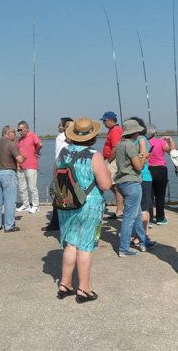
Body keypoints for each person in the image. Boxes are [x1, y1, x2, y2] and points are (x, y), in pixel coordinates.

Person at [55, 117, 111, 303]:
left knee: (70, 244)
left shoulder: (63, 152)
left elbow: (57, 176)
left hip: (67, 203)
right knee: (85, 246)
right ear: (92, 137)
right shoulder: (94, 155)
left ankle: (65, 284)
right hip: (89, 205)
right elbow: (105, 184)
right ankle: (83, 289)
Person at [114, 119, 157, 257]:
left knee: (137, 214)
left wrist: (140, 157)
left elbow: (127, 161)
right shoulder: (131, 145)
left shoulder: (120, 144)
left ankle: (144, 242)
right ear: (134, 132)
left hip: (121, 182)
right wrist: (145, 157)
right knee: (129, 218)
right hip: (132, 183)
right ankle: (124, 248)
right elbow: (139, 167)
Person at [42, 117, 73, 232]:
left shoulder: (60, 137)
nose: (58, 126)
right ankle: (59, 221)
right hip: (67, 170)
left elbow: (58, 156)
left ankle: (57, 221)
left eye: (60, 124)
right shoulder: (65, 138)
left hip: (62, 170)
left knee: (57, 195)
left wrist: (55, 175)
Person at [0, 126, 25, 232]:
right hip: (8, 173)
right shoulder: (11, 144)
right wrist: (26, 156)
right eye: (14, 132)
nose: (15, 134)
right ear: (8, 133)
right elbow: (20, 159)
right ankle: (9, 226)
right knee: (10, 201)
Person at [147, 124, 176, 225]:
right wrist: (170, 139)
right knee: (160, 195)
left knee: (149, 196)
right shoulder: (161, 142)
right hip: (161, 169)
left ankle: (149, 220)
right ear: (155, 133)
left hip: (148, 169)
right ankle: (160, 218)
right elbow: (173, 151)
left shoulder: (144, 143)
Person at [131, 117, 152, 245]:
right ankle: (145, 233)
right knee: (142, 208)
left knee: (142, 208)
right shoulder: (137, 140)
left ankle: (141, 235)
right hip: (140, 177)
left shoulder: (141, 139)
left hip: (142, 176)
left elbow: (143, 156)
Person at [100, 111, 124, 219]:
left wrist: (108, 161)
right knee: (112, 185)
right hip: (111, 160)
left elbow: (115, 147)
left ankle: (120, 210)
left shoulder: (115, 131)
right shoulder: (113, 130)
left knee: (114, 185)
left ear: (110, 120)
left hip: (113, 161)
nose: (104, 123)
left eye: (105, 121)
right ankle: (121, 206)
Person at [16, 121, 43, 214]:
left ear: (26, 128)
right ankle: (26, 205)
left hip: (31, 166)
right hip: (21, 166)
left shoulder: (32, 135)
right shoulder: (20, 140)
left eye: (20, 129)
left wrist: (35, 152)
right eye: (18, 130)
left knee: (32, 187)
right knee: (22, 187)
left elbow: (40, 144)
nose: (19, 132)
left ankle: (35, 205)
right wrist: (18, 164)